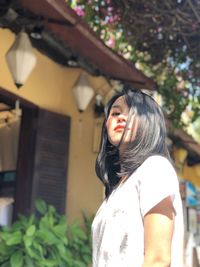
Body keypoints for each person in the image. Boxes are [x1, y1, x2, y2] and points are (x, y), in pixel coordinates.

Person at [92, 87, 184, 267]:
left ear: (149, 122)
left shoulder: (155, 168)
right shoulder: (116, 190)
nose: (121, 117)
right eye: (115, 113)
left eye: (132, 112)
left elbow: (159, 259)